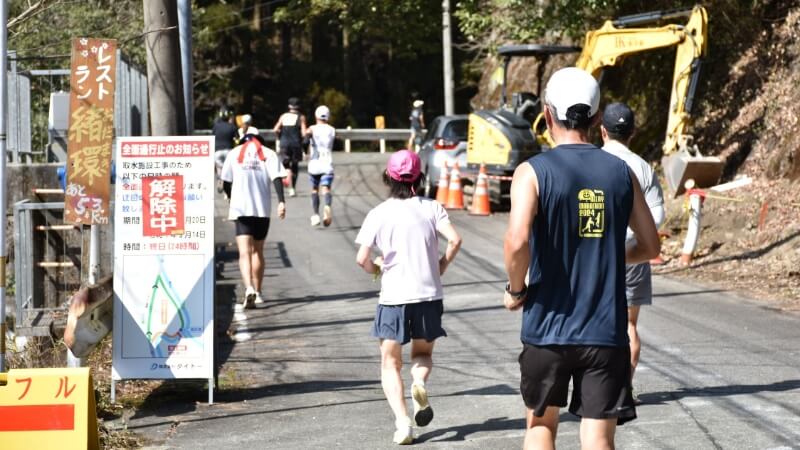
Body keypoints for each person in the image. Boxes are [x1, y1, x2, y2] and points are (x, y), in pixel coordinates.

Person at [502, 67, 660, 450]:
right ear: (595, 117)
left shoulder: (532, 172)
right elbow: (651, 246)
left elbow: (517, 241)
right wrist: (611, 257)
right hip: (605, 330)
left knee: (541, 428)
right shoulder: (622, 172)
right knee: (598, 439)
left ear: (547, 113)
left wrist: (516, 288)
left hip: (547, 329)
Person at [355, 150, 462, 445]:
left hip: (393, 299)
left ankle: (403, 424)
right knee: (423, 355)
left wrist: (377, 268)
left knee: (390, 363)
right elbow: (455, 239)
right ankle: (418, 382)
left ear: (388, 177)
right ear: (420, 177)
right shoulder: (432, 208)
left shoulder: (378, 213)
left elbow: (362, 258)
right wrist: (441, 265)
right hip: (429, 295)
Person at [600, 102, 665, 400]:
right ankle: (624, 386)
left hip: (596, 254)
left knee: (594, 321)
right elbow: (658, 217)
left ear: (602, 131)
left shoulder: (593, 163)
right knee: (628, 324)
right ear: (633, 133)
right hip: (634, 254)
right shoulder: (643, 167)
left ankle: (597, 385)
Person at [220, 133, 287, 309]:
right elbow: (277, 178)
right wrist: (281, 201)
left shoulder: (234, 153)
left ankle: (248, 287)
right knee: (258, 251)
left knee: (244, 253)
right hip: (262, 210)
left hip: (241, 209)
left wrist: (229, 195)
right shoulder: (268, 153)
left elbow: (226, 180)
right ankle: (257, 293)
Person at [305, 105, 336, 227]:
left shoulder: (311, 128)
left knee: (314, 189)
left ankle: (316, 215)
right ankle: (327, 206)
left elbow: (305, 140)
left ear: (316, 115)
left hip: (314, 163)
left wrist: (304, 151)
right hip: (327, 163)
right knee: (326, 189)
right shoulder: (332, 130)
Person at [273, 97, 307, 197]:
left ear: (289, 106)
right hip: (296, 144)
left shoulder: (283, 116)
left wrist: (280, 136)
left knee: (286, 165)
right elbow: (304, 133)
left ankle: (287, 180)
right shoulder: (301, 117)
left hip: (284, 143)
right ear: (298, 106)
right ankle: (292, 188)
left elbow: (275, 129)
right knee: (295, 165)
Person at [212, 106, 237, 176]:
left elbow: (213, 137)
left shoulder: (216, 126)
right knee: (229, 171)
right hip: (229, 151)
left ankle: (221, 182)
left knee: (220, 170)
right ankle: (227, 184)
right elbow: (237, 139)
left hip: (217, 151)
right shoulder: (232, 126)